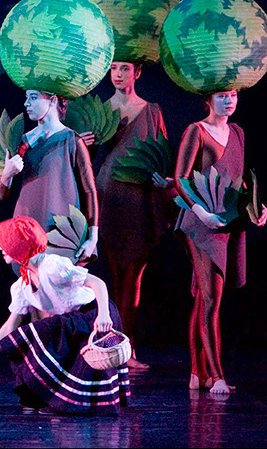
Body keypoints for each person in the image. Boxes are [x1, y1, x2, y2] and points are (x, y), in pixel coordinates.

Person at [0, 216, 130, 416]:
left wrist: (104, 315)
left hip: (93, 316)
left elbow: (97, 283)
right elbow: (10, 327)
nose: (1, 249)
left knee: (46, 329)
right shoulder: (22, 286)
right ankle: (47, 397)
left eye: (7, 243)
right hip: (71, 323)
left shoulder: (52, 266)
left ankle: (69, 403)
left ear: (20, 246)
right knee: (33, 335)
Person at [174, 90, 267, 394]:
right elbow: (181, 178)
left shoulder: (237, 131)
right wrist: (200, 212)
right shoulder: (196, 131)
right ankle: (217, 376)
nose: (229, 101)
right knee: (211, 299)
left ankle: (197, 373)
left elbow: (238, 179)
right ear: (208, 100)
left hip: (228, 220)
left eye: (233, 95)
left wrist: (256, 207)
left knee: (205, 298)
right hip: (201, 223)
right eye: (222, 96)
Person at [81, 62, 171, 369]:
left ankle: (127, 347)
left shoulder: (152, 111)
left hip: (140, 199)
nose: (118, 74)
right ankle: (112, 348)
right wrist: (85, 144)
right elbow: (86, 161)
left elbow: (161, 154)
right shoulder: (101, 111)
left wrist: (165, 183)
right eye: (114, 68)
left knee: (133, 277)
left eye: (125, 68)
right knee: (115, 275)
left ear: (138, 72)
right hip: (110, 196)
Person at [0, 90, 99, 265]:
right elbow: (2, 194)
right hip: (27, 227)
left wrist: (92, 238)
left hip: (59, 229)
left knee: (57, 274)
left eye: (33, 97)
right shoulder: (23, 143)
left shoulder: (72, 140)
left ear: (52, 100)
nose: (26, 103)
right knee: (29, 278)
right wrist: (6, 175)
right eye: (26, 98)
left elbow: (90, 190)